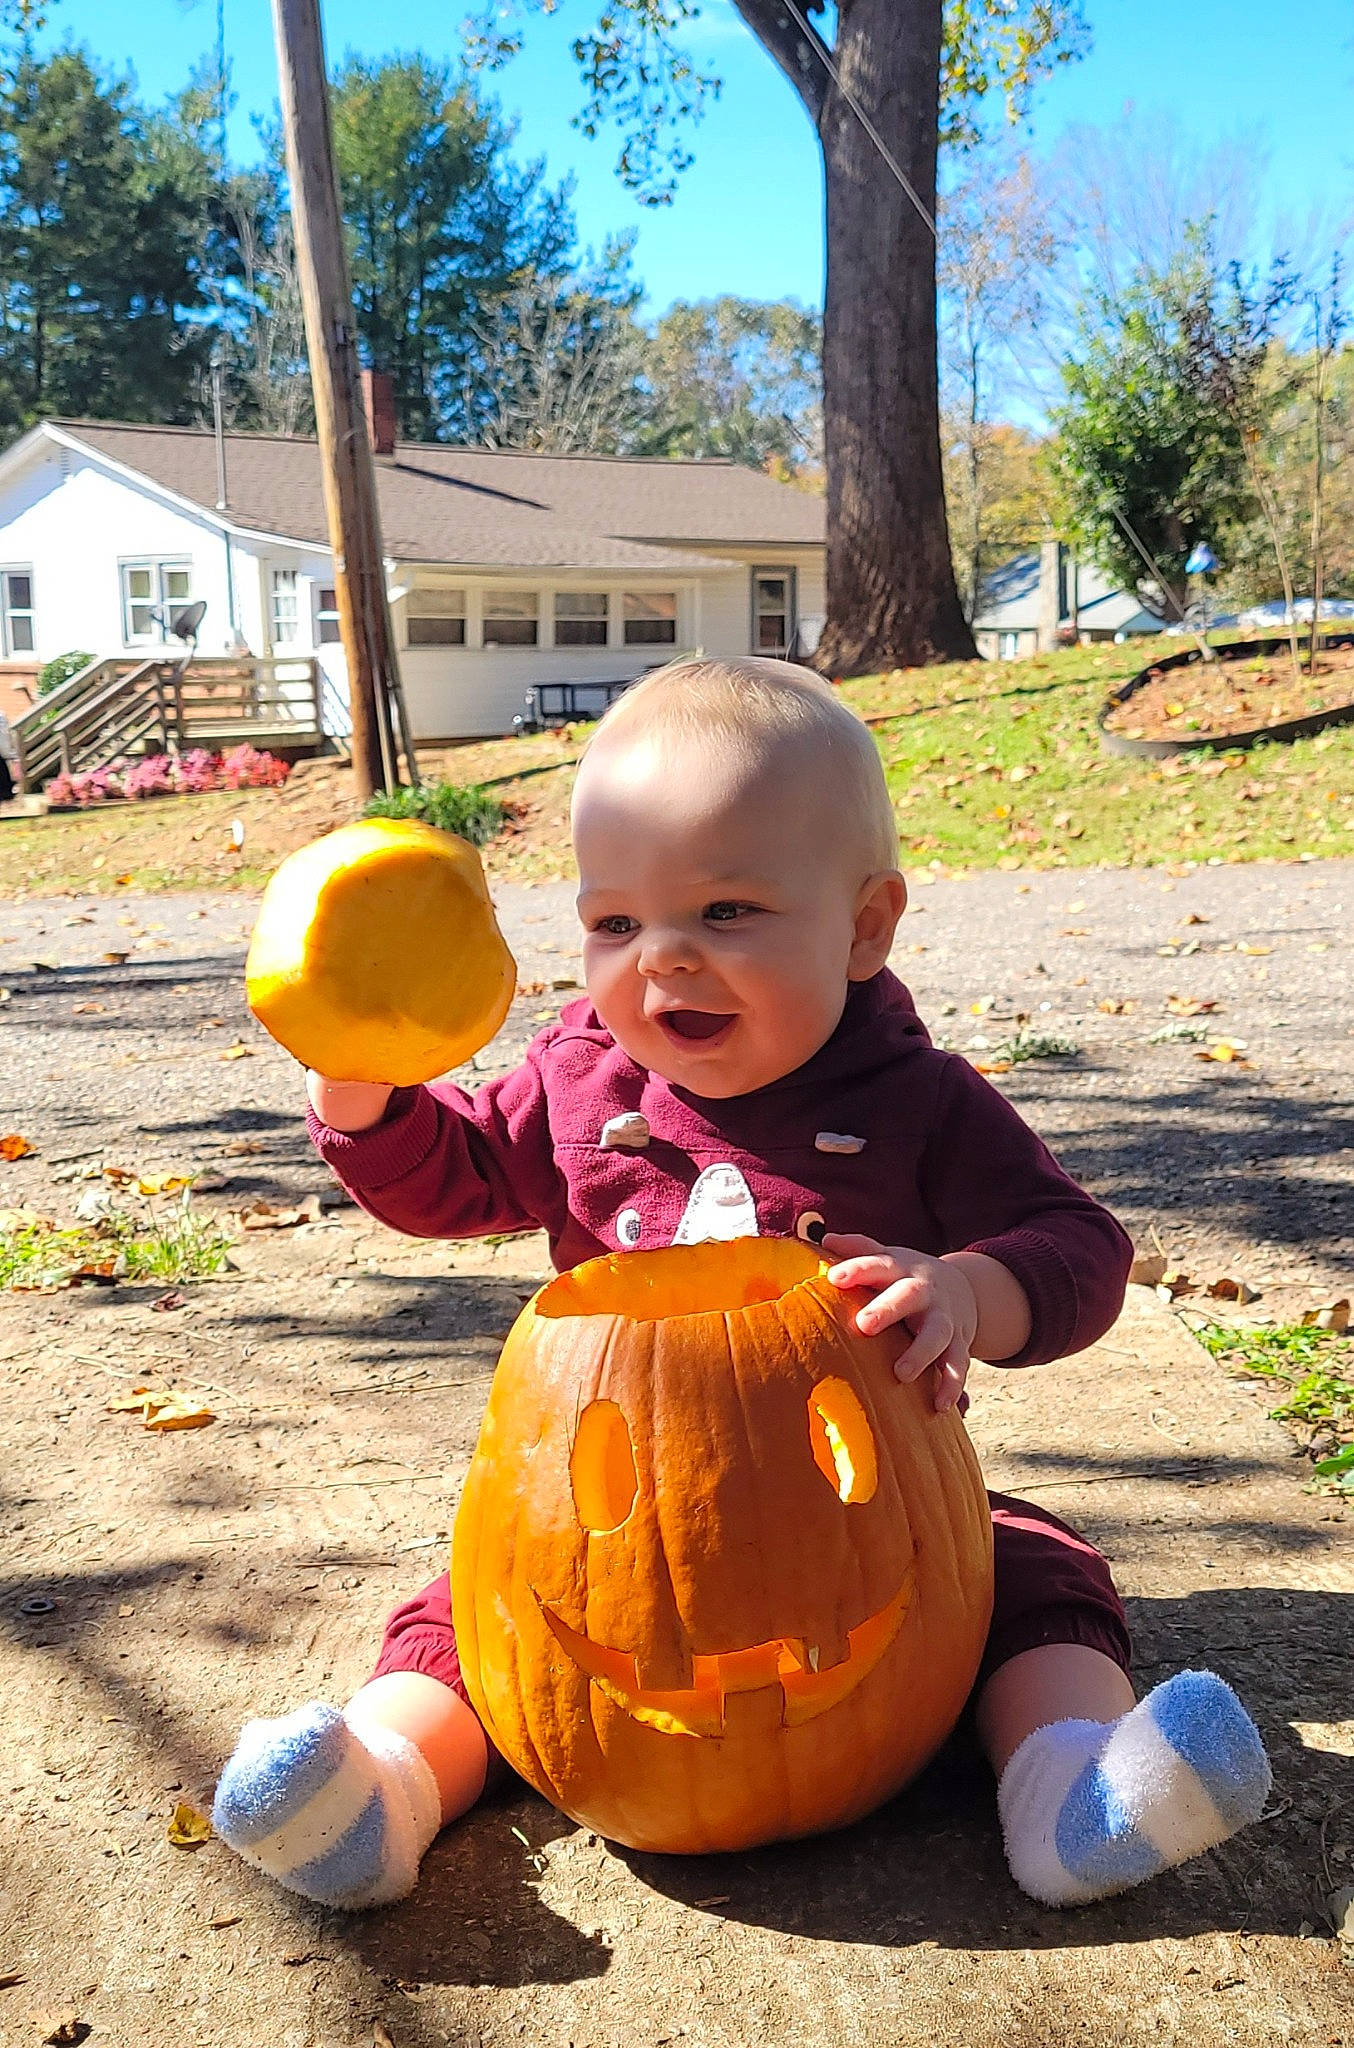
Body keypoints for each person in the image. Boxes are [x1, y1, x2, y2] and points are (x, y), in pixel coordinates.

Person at [213, 657, 1269, 1912]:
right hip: (608, 1520)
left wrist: (968, 1290)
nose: (663, 960)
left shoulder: (916, 1102)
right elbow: (446, 1177)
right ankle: (379, 1783)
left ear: (867, 922)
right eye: (615, 923)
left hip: (870, 1520)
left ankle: (1073, 1789)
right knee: (478, 1623)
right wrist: (357, 1076)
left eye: (725, 912)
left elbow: (1076, 1241)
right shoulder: (574, 1076)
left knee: (1034, 1566)